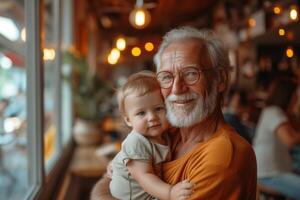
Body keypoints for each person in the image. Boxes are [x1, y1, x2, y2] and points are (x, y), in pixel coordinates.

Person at [91, 26, 257, 200]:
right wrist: (118, 167)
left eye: (191, 74)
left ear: (220, 80)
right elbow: (125, 171)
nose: (177, 88)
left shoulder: (223, 156)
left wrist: (106, 188)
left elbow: (108, 186)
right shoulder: (167, 131)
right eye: (167, 77)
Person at [109, 71, 193, 200]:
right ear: (128, 120)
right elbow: (145, 176)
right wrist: (170, 193)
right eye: (141, 113)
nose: (152, 117)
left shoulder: (166, 134)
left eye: (159, 109)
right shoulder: (137, 141)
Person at [253, 77, 300, 199]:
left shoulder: (277, 113)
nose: (296, 99)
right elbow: (289, 140)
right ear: (287, 96)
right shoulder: (274, 112)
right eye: (295, 95)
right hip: (267, 175)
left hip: (276, 172)